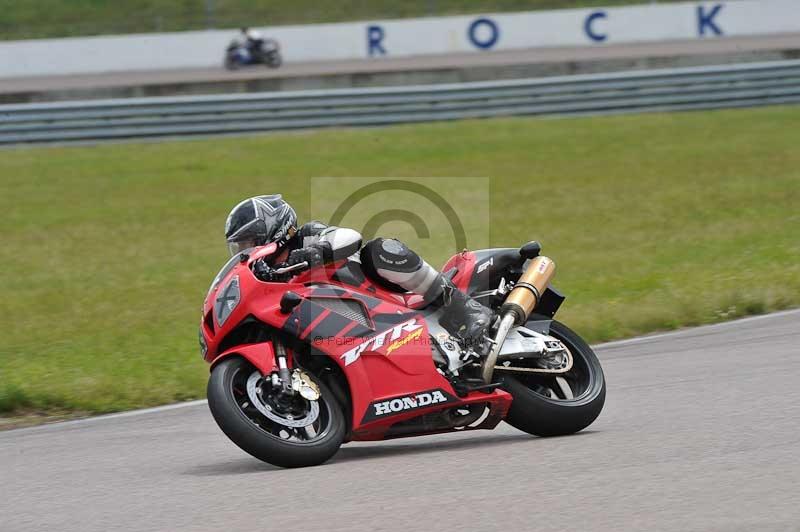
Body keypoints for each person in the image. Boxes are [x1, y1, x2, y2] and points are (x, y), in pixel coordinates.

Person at [224, 194, 492, 346]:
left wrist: (316, 252)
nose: (247, 250)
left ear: (275, 230)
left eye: (250, 242)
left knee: (380, 249)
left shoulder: (307, 236)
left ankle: (463, 307)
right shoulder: (268, 272)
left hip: (388, 299)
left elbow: (349, 236)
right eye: (241, 247)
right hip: (352, 329)